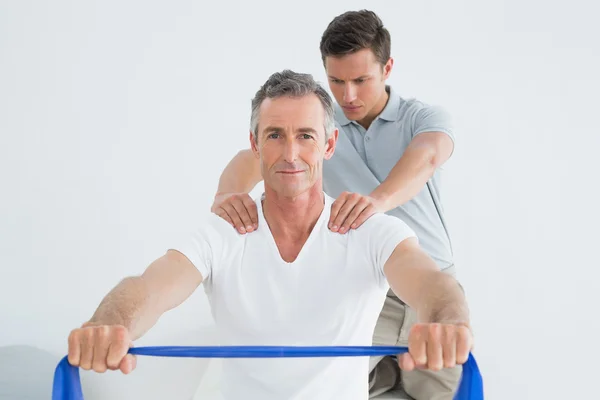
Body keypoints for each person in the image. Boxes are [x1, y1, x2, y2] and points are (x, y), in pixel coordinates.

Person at [66, 70, 472, 400]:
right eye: (275, 135)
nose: (290, 153)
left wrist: (447, 322)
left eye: (305, 136)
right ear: (255, 144)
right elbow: (150, 287)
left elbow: (432, 283)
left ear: (329, 144)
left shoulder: (368, 230)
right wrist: (111, 323)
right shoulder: (226, 233)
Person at [210, 9, 460, 400]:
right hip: (364, 283)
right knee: (330, 383)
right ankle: (386, 377)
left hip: (425, 279)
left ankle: (399, 376)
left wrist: (375, 202)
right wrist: (225, 201)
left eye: (361, 80)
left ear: (387, 67)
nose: (349, 96)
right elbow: (250, 159)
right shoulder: (319, 129)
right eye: (337, 81)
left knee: (439, 391)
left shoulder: (422, 117)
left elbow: (428, 157)